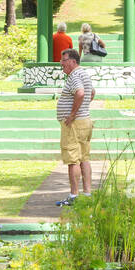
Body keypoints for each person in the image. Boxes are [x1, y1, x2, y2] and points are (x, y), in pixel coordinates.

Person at [55, 49, 94, 207]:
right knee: (84, 158)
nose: (61, 63)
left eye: (64, 60)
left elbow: (80, 92)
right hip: (85, 121)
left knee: (73, 160)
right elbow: (92, 92)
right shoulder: (84, 74)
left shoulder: (75, 76)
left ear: (72, 61)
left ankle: (74, 195)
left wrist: (72, 114)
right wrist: (83, 108)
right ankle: (87, 193)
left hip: (74, 124)